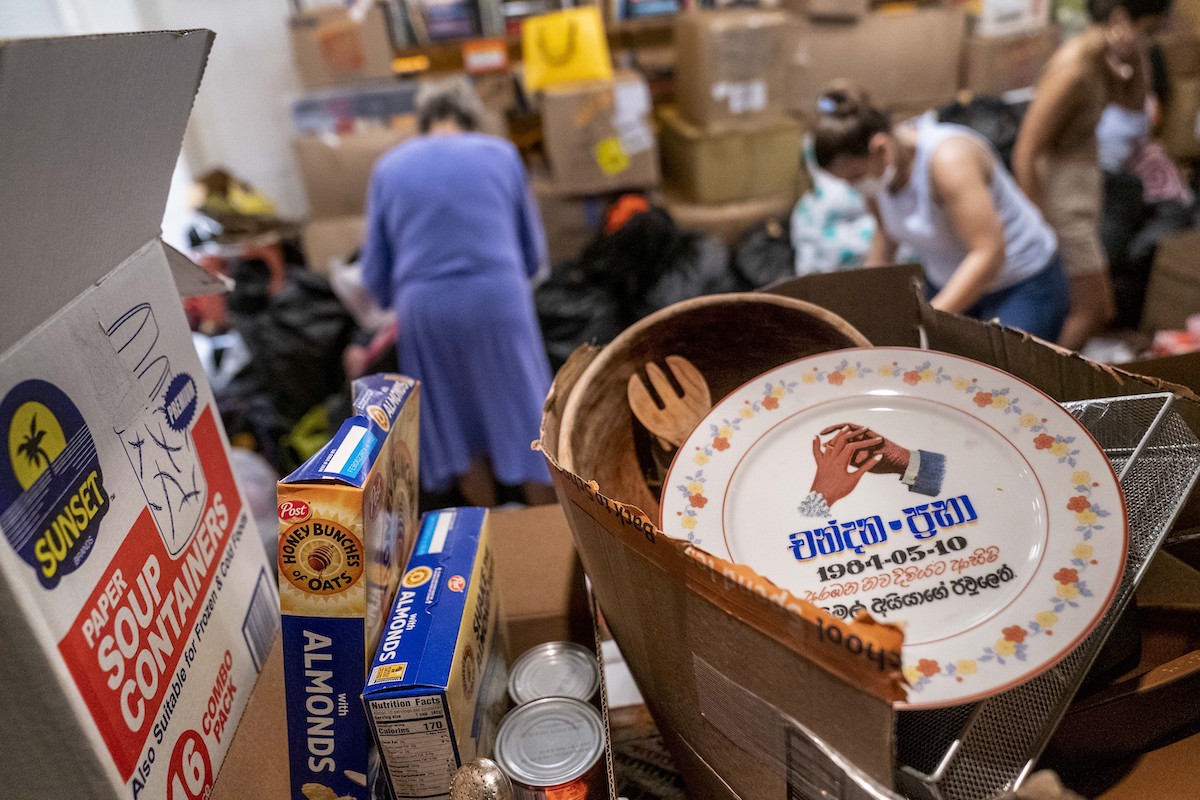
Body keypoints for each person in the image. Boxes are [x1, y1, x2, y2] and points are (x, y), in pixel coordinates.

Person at [361, 78, 555, 508]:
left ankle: (484, 541)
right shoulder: (501, 154)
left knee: (457, 430)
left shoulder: (389, 168)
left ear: (424, 122)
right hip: (498, 299)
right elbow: (533, 257)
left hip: (426, 311)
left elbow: (374, 276)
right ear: (471, 118)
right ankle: (550, 544)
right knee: (527, 420)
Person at [813, 84, 1069, 341]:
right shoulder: (877, 178)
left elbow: (988, 253)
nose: (854, 186)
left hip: (1020, 281)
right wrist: (857, 311)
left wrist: (926, 321)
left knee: (992, 372)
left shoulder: (948, 160)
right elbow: (885, 239)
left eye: (855, 177)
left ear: (881, 148)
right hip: (949, 278)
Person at [1012, 0, 1172, 351]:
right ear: (1119, 18)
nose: (1149, 41)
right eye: (1146, 30)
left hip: (1080, 200)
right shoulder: (1075, 70)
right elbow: (1026, 150)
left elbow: (1134, 106)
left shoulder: (1100, 58)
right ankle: (1048, 388)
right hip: (1060, 204)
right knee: (1093, 310)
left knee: (1089, 308)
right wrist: (1038, 225)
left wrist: (1135, 52)